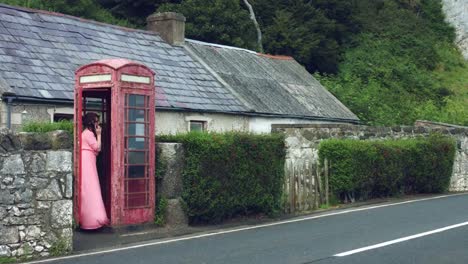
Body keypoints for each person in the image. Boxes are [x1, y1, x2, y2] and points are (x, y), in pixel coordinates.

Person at [80, 112, 109, 230]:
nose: (98, 123)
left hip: (86, 160)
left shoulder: (84, 133)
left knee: (87, 190)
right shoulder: (89, 134)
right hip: (88, 162)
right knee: (92, 189)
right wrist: (99, 134)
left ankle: (87, 218)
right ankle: (94, 219)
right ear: (91, 122)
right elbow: (98, 147)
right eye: (96, 121)